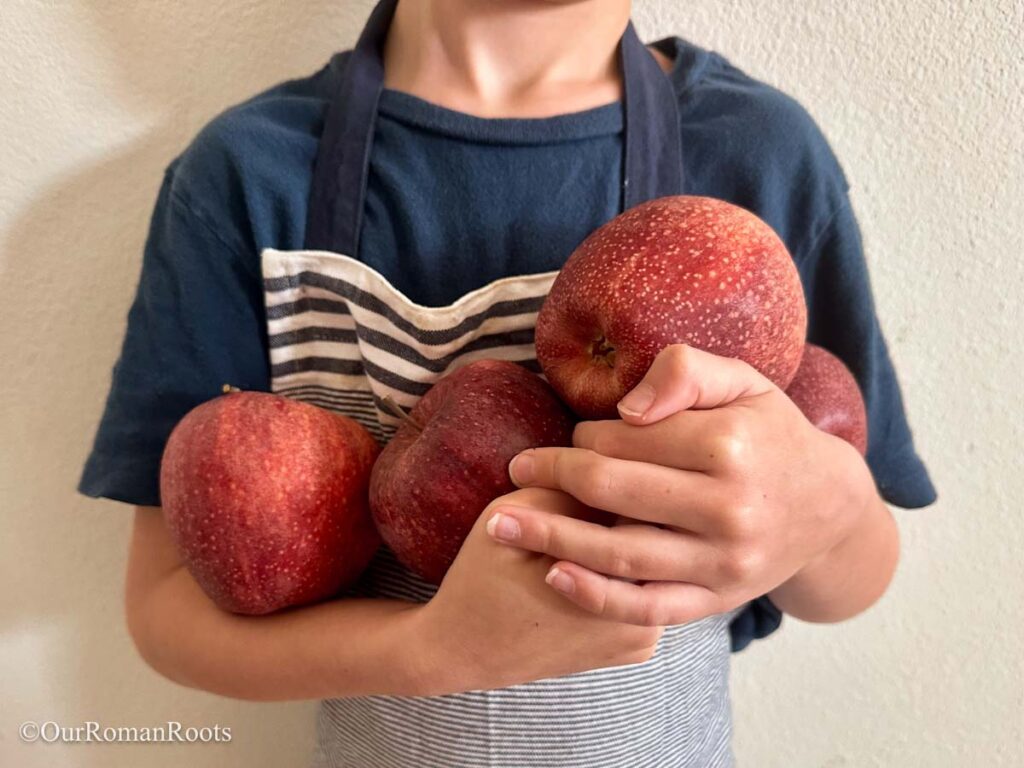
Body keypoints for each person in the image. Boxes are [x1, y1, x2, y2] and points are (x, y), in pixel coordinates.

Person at [77, 0, 936, 766]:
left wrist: (827, 517)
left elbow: (856, 575)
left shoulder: (758, 161)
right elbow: (166, 615)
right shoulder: (247, 179)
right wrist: (433, 651)